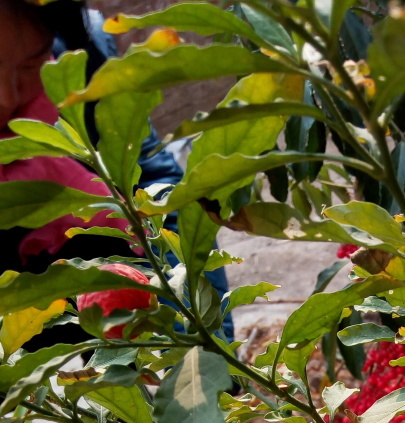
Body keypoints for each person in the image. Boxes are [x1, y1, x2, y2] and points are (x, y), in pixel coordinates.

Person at [0, 0, 233, 343]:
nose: (7, 98)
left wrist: (206, 344)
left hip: (101, 292)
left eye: (29, 66)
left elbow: (158, 191)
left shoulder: (80, 64)